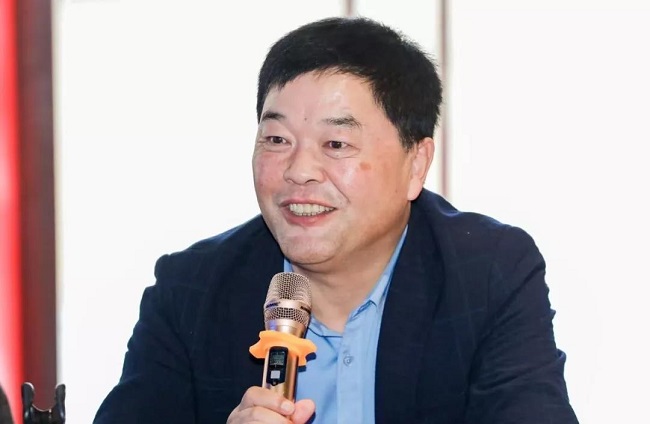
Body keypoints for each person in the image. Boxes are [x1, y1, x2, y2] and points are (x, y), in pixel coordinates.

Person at [94, 16, 578, 424]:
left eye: (336, 144)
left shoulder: (487, 275)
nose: (299, 171)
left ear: (415, 164)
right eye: (277, 140)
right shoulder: (191, 291)